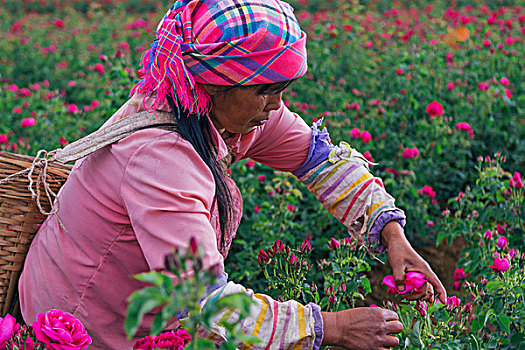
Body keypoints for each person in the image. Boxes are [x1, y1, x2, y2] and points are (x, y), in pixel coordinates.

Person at [19, 0, 447, 349]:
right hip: (82, 322)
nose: (276, 106)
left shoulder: (223, 112)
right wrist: (332, 327)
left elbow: (320, 160)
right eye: (266, 90)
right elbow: (206, 302)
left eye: (282, 90)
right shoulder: (160, 159)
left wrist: (392, 234)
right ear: (214, 84)